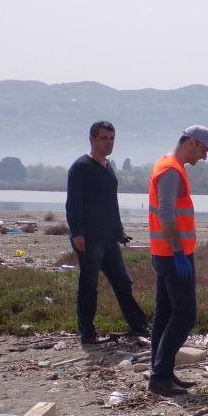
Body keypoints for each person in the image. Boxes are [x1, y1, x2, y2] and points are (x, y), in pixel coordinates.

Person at [146, 124, 208, 397]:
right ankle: (160, 375)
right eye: (203, 150)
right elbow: (166, 214)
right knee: (185, 315)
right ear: (191, 143)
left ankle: (162, 372)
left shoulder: (172, 166)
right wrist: (178, 252)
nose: (204, 156)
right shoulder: (170, 170)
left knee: (164, 315)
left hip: (167, 253)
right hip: (171, 254)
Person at [65, 121, 149, 345]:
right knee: (89, 285)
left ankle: (139, 325)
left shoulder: (108, 166)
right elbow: (73, 204)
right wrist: (77, 233)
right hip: (89, 238)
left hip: (109, 237)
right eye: (104, 138)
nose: (109, 143)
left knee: (123, 281)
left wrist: (119, 229)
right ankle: (87, 332)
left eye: (112, 138)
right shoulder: (81, 167)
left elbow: (111, 202)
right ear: (92, 140)